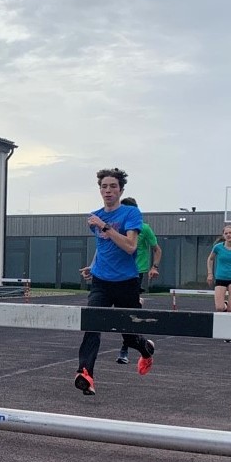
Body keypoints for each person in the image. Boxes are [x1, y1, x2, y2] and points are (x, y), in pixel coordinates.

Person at [74, 168, 156, 396]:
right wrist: (93, 266)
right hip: (101, 281)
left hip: (126, 282)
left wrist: (105, 226)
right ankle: (85, 374)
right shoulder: (94, 216)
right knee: (92, 325)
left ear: (121, 189)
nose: (108, 190)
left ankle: (146, 349)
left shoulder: (130, 213)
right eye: (104, 186)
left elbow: (130, 246)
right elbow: (103, 247)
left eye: (112, 186)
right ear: (99, 190)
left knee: (128, 335)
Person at [115, 197, 161, 364]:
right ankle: (143, 343)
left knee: (127, 311)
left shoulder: (144, 228)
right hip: (117, 273)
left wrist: (154, 267)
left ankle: (125, 349)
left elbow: (157, 249)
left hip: (136, 273)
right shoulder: (117, 227)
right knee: (120, 310)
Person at [206, 225, 231, 313]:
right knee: (219, 308)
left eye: (230, 233)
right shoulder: (218, 247)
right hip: (220, 277)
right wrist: (210, 274)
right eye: (226, 233)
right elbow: (210, 259)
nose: (228, 235)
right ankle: (225, 304)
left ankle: (229, 316)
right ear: (223, 236)